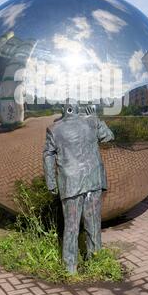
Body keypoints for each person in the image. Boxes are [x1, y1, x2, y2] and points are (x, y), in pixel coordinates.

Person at [43, 104, 114, 274]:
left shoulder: (54, 129)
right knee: (93, 223)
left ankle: (70, 268)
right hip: (93, 180)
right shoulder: (91, 122)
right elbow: (109, 137)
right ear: (77, 109)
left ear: (63, 110)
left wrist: (51, 182)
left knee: (72, 226)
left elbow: (48, 157)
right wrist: (97, 120)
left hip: (71, 184)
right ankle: (95, 260)